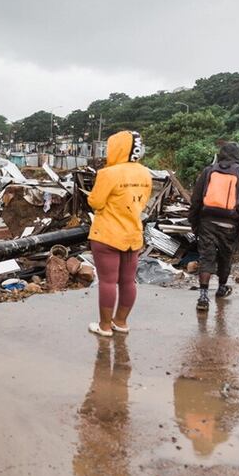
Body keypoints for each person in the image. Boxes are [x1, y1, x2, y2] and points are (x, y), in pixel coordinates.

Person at [87, 131, 152, 337]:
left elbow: (95, 202)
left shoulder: (108, 173)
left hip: (107, 234)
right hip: (132, 234)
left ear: (118, 148)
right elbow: (142, 202)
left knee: (107, 281)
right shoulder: (145, 173)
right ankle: (121, 322)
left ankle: (105, 326)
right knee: (128, 281)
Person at [188, 142, 239, 311]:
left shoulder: (208, 171)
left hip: (207, 222)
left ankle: (203, 296)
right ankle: (221, 288)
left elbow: (196, 200)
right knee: (226, 256)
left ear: (221, 154)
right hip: (230, 225)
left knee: (206, 258)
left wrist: (194, 222)